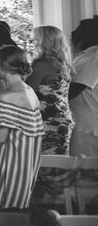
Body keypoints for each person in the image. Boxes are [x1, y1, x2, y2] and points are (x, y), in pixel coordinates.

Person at [0, 45, 44, 209]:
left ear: (1, 65)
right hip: (24, 166)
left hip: (7, 166)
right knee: (13, 216)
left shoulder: (8, 96)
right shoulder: (29, 91)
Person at [26, 26, 74, 155]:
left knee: (42, 163)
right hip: (63, 117)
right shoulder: (63, 63)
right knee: (58, 162)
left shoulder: (41, 64)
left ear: (44, 42)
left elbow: (27, 91)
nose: (32, 43)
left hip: (46, 119)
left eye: (34, 40)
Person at [68, 18, 98, 156]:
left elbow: (72, 90)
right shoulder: (87, 56)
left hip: (87, 126)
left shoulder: (92, 58)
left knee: (83, 169)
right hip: (83, 123)